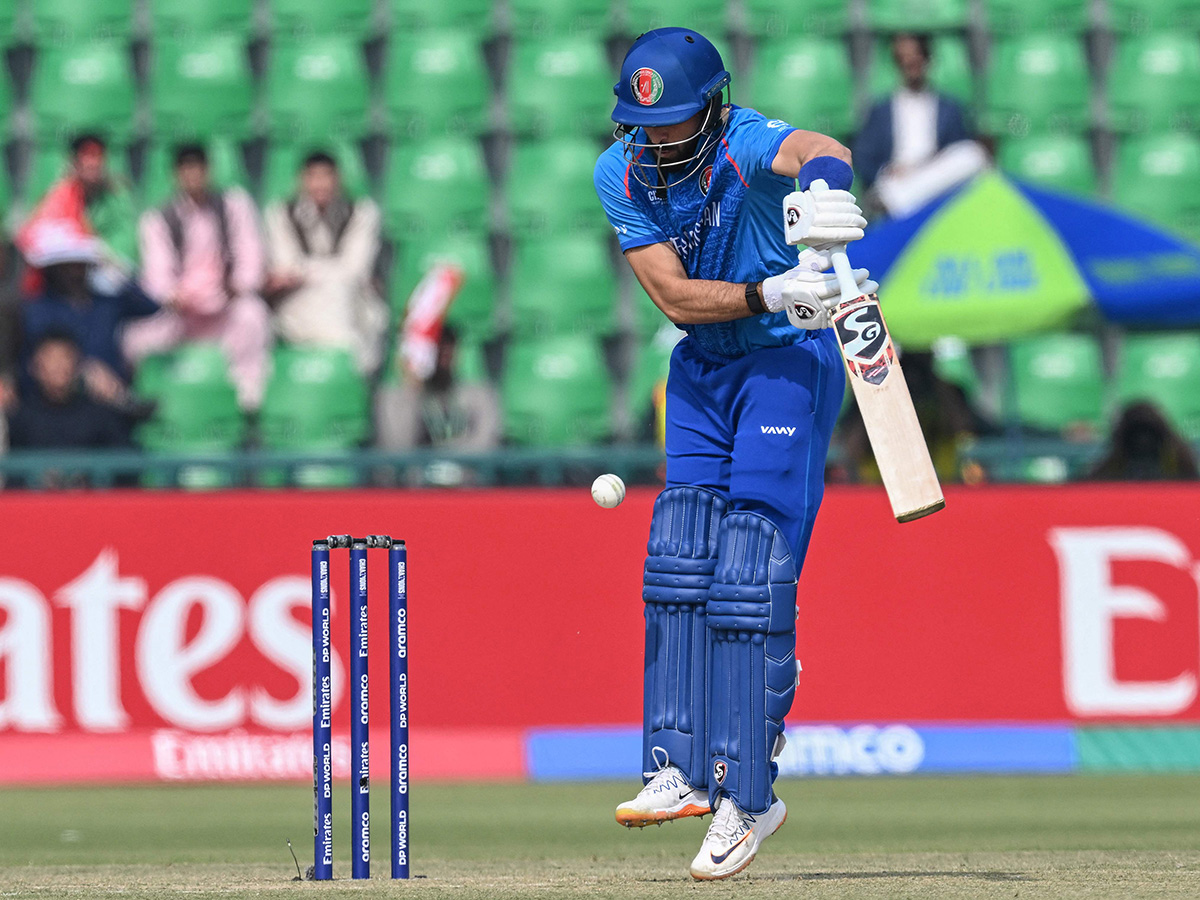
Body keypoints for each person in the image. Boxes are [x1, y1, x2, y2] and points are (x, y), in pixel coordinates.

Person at [593, 27, 874, 880]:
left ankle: (748, 795)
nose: (659, 140)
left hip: (786, 364)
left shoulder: (746, 141)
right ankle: (673, 764)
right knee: (680, 553)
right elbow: (676, 295)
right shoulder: (621, 173)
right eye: (646, 125)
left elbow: (824, 149)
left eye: (675, 122)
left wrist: (823, 197)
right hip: (706, 366)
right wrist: (769, 289)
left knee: (750, 566)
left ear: (711, 110)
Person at [123, 143, 271, 410]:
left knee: (253, 314)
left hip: (225, 306)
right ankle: (150, 398)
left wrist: (238, 285)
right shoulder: (157, 219)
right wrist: (173, 296)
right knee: (133, 339)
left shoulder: (235, 205)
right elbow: (157, 274)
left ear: (208, 170)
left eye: (198, 168)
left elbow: (250, 254)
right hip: (182, 314)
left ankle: (247, 401)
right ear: (176, 174)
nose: (193, 175)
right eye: (186, 169)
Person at [263, 151, 388, 375]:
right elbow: (286, 267)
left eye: (326, 176)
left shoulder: (362, 212)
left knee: (353, 303)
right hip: (299, 303)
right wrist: (327, 269)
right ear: (301, 180)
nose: (320, 184)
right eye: (313, 177)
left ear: (338, 179)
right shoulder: (280, 212)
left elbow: (355, 269)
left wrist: (305, 271)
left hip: (349, 299)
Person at [17, 219, 158, 410]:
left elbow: (152, 307)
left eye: (79, 264)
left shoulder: (107, 304)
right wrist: (84, 371)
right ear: (53, 269)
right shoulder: (38, 309)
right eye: (66, 266)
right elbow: (35, 361)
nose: (74, 272)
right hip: (58, 406)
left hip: (110, 404)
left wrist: (118, 270)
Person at [853, 33, 986, 218]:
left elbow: (958, 151)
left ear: (926, 60)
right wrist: (889, 170)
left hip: (934, 176)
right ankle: (900, 199)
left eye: (915, 59)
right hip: (896, 178)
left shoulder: (949, 107)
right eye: (904, 60)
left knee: (973, 155)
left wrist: (927, 163)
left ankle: (899, 201)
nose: (911, 66)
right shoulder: (881, 109)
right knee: (890, 187)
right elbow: (864, 156)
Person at [1089, 401, 1199, 481]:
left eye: (1150, 436)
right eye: (1134, 437)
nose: (1143, 442)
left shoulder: (1180, 463)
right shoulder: (1110, 467)